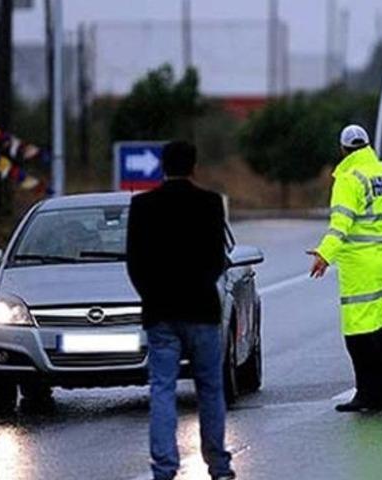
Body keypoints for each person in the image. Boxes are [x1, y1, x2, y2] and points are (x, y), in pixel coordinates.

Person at [126, 141, 235, 480]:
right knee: (210, 389)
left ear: (162, 166)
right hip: (202, 309)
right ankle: (218, 465)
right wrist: (200, 285)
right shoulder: (210, 203)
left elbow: (135, 262)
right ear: (194, 167)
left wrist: (152, 294)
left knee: (162, 389)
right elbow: (218, 260)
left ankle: (164, 468)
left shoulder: (142, 206)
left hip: (160, 312)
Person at [308, 124, 382, 412]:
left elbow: (341, 224)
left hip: (360, 268)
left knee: (359, 336)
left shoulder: (349, 179)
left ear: (343, 149)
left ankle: (367, 394)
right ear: (367, 144)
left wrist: (324, 255)